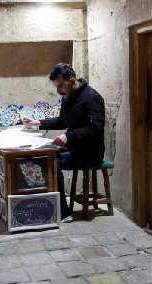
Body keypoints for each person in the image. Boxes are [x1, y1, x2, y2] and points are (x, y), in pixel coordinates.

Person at [24, 63, 106, 222]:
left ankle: (64, 213)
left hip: (90, 152)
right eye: (56, 86)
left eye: (61, 85)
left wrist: (69, 137)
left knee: (54, 163)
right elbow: (62, 121)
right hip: (75, 148)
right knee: (45, 157)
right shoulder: (67, 97)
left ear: (72, 80)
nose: (59, 90)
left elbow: (95, 128)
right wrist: (39, 122)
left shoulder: (92, 98)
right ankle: (48, 204)